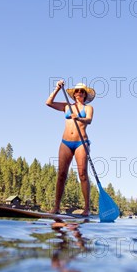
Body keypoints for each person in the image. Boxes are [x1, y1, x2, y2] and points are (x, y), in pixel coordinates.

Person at [46, 80, 96, 216]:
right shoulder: (67, 106)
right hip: (65, 143)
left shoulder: (88, 108)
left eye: (81, 91)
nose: (79, 93)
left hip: (81, 142)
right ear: (73, 94)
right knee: (61, 174)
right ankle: (56, 207)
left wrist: (79, 118)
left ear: (85, 95)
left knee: (83, 175)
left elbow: (89, 120)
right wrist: (57, 88)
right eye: (77, 91)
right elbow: (48, 103)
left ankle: (86, 208)